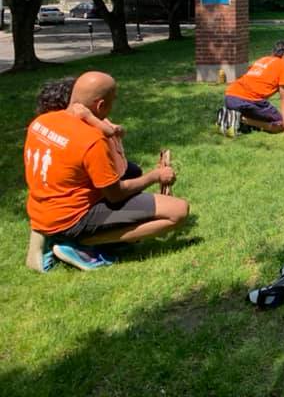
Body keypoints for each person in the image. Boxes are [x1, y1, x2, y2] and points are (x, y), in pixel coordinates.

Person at [24, 71, 189, 272]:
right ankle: (82, 244)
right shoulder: (92, 141)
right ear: (100, 105)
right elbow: (115, 194)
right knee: (178, 211)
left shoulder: (41, 122)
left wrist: (99, 123)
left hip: (43, 212)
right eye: (112, 101)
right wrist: (155, 176)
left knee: (132, 171)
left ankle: (61, 238)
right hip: (71, 218)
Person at [219, 40, 284, 136]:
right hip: (247, 101)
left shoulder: (263, 59)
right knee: (280, 124)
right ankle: (241, 119)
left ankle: (230, 116)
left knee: (260, 113)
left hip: (230, 97)